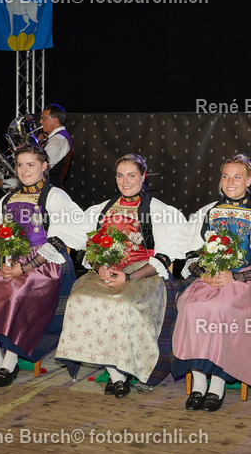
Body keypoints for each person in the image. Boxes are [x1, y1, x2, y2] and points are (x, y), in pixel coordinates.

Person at [55, 154, 186, 397]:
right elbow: (89, 247)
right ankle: (116, 375)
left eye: (131, 175)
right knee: (80, 298)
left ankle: (126, 369)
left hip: (143, 274)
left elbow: (166, 257)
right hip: (108, 272)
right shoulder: (101, 209)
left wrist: (127, 278)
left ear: (143, 176)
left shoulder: (158, 210)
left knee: (122, 305)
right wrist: (99, 267)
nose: (125, 181)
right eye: (120, 175)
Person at [171, 154, 251, 412]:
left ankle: (218, 383)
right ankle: (199, 383)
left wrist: (235, 277)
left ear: (249, 180)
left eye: (237, 176)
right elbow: (191, 253)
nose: (230, 181)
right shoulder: (206, 212)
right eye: (225, 176)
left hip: (248, 282)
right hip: (211, 277)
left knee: (223, 309)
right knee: (191, 305)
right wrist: (204, 272)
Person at [0, 146, 87, 387]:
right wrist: (1, 260)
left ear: (44, 166)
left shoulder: (55, 196)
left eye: (30, 165)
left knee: (16, 293)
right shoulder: (8, 197)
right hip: (10, 260)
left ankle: (10, 362)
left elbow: (64, 237)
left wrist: (25, 267)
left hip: (43, 264)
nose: (24, 170)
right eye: (20, 165)